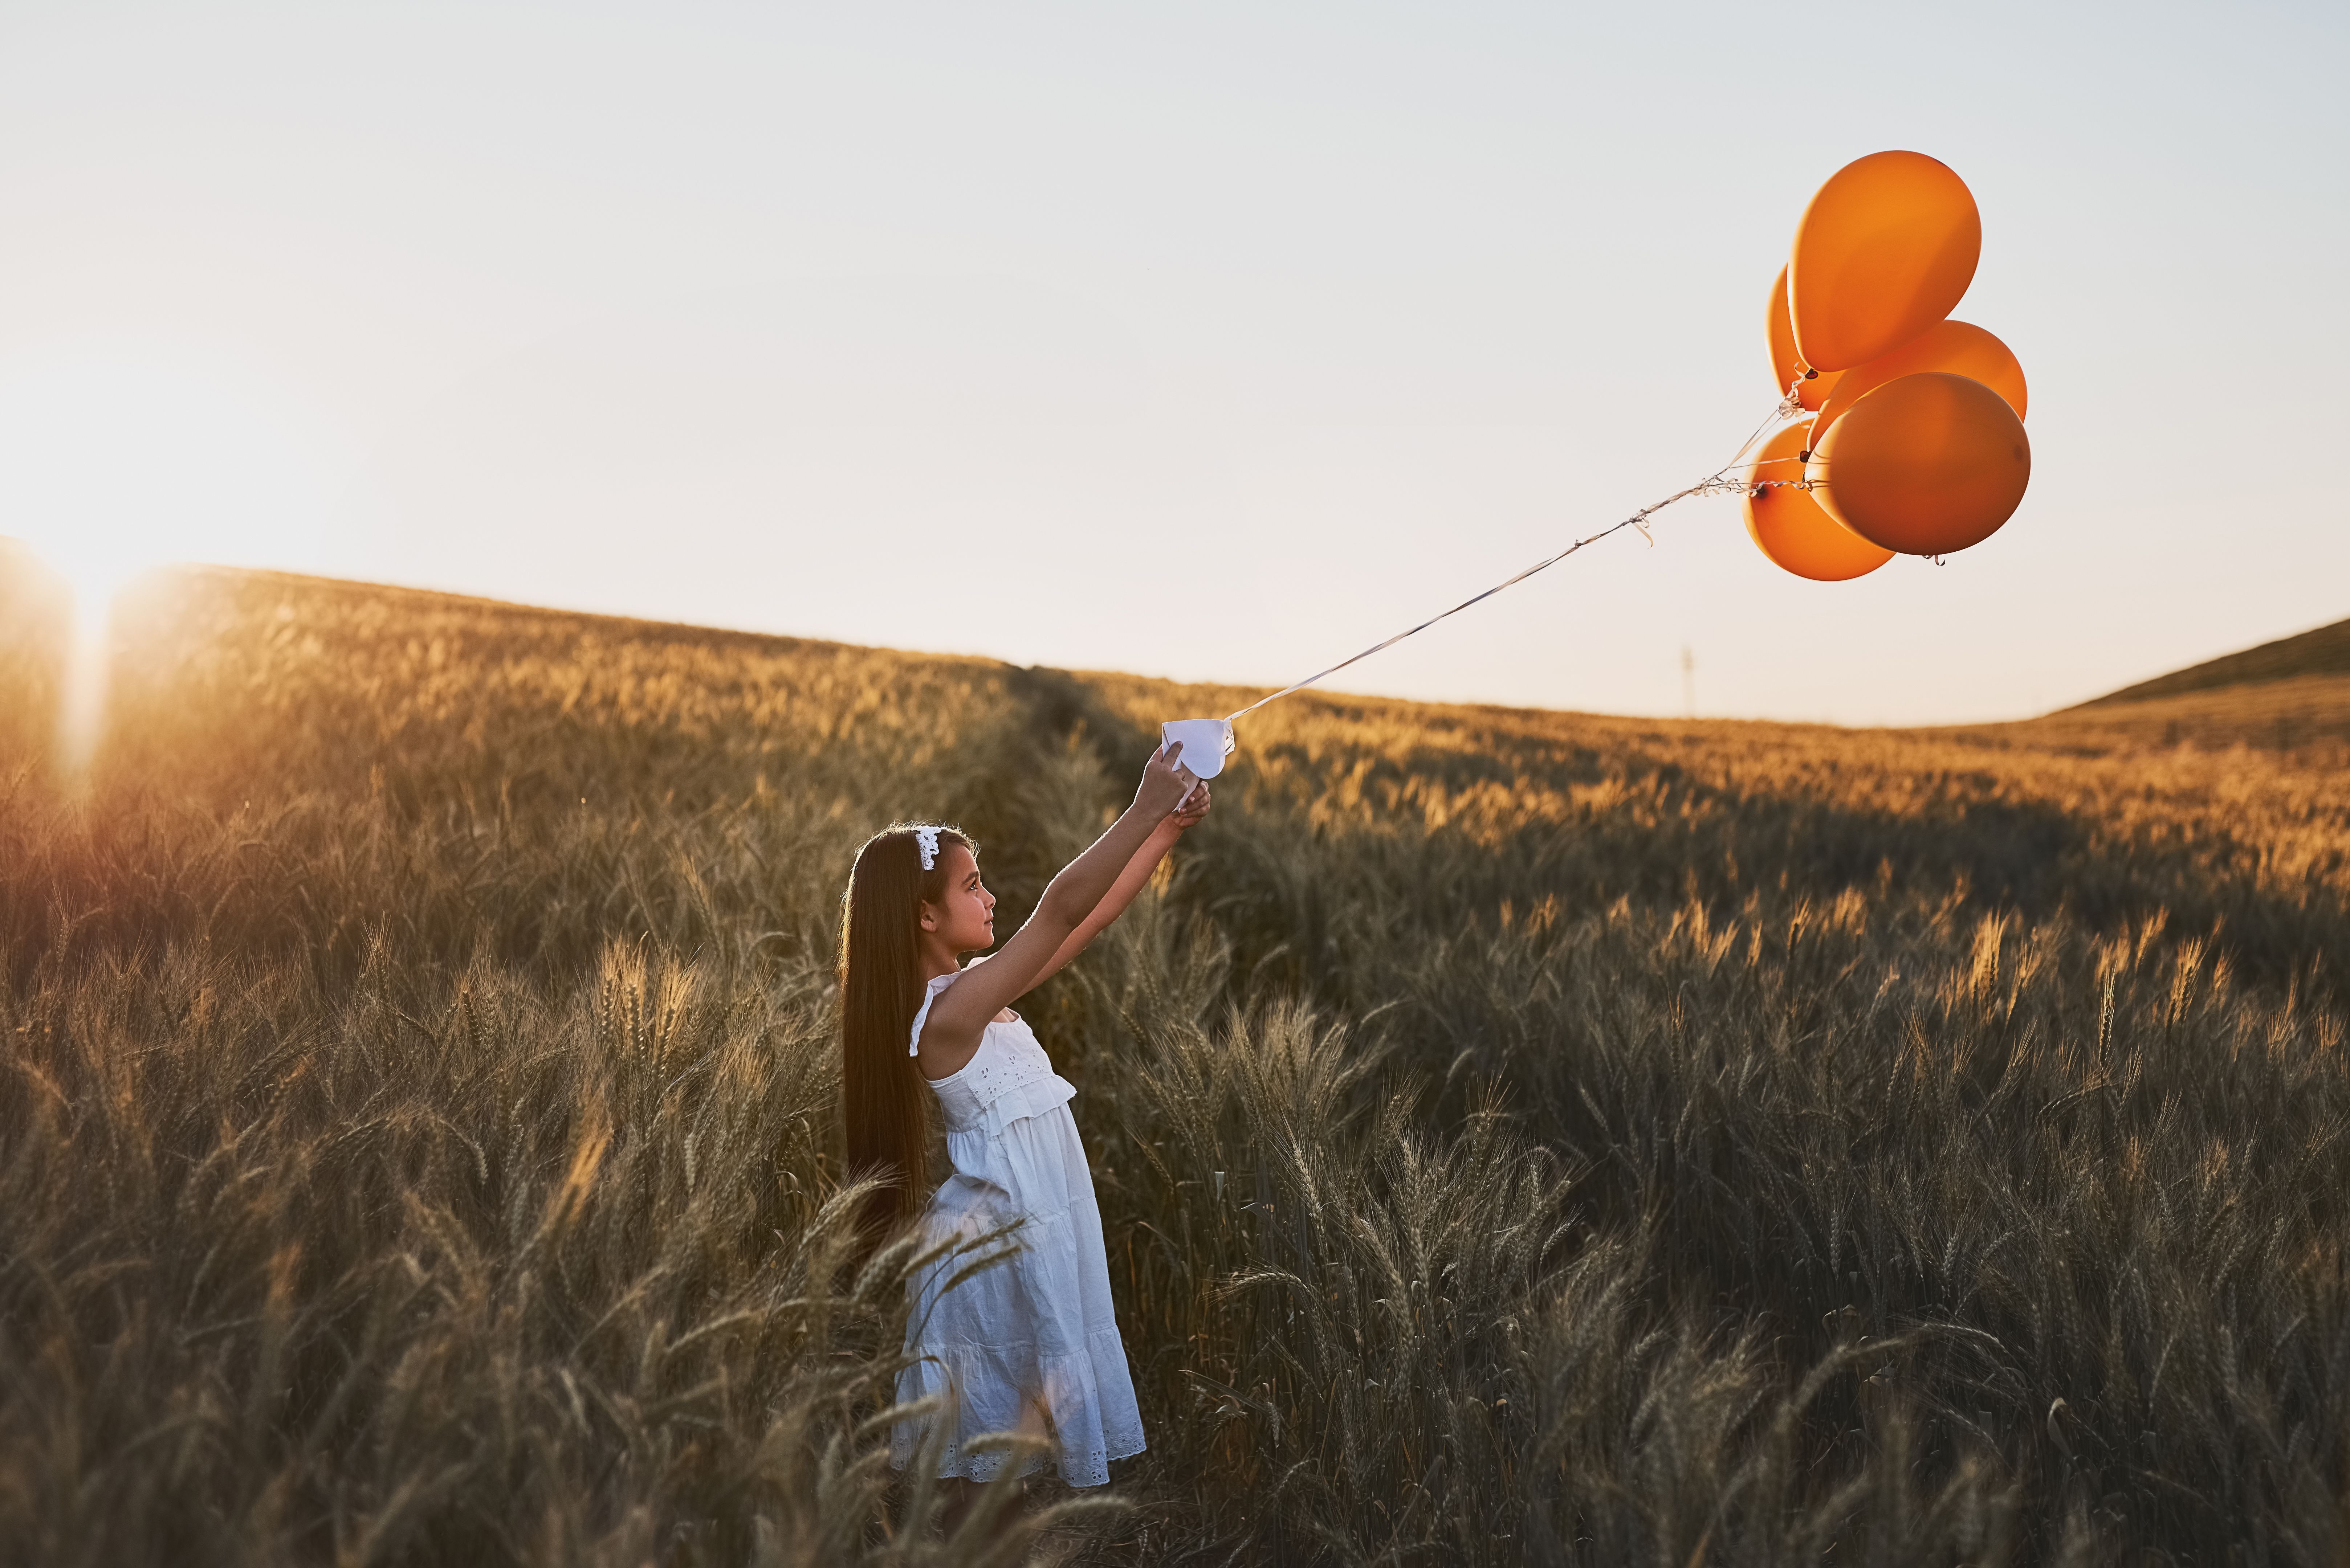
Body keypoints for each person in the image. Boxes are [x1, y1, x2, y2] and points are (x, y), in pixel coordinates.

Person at [835, 740, 1210, 1523]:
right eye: (972, 885)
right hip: (986, 1259)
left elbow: (1089, 919)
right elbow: (1059, 909)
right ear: (925, 915)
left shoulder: (977, 990)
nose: (992, 897)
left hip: (1025, 1239)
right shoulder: (948, 1018)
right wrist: (1142, 804)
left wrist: (1166, 830)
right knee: (980, 1480)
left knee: (1002, 1477)